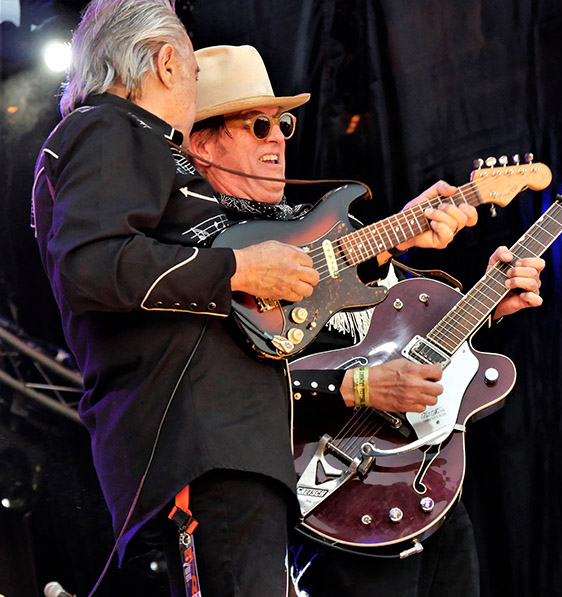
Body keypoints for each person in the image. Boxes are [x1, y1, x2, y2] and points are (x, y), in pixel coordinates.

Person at [187, 45, 546, 596]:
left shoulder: (329, 226)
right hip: (324, 488)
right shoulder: (204, 251)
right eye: (258, 125)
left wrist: (487, 303)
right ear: (202, 145)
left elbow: (407, 338)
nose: (279, 137)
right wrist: (355, 386)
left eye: (282, 123)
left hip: (422, 475)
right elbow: (220, 384)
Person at [32, 3, 325, 596]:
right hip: (199, 447)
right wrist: (237, 268)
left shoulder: (135, 144)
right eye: (193, 71)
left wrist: (403, 230)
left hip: (217, 446)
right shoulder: (112, 127)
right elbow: (90, 265)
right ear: (168, 63)